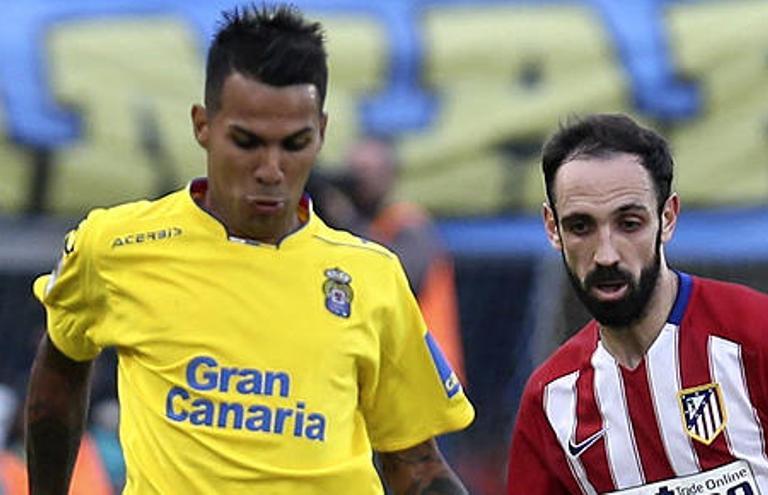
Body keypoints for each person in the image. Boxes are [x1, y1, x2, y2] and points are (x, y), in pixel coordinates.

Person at [26, 4, 474, 494]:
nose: (271, 168)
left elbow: (418, 466)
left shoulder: (371, 275)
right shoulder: (116, 246)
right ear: (203, 125)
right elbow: (59, 375)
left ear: (321, 132)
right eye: (247, 142)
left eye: (294, 143)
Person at [507, 113, 768, 494]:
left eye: (629, 223)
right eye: (581, 227)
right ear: (553, 229)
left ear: (667, 218)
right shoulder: (551, 400)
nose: (605, 255)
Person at [344, 137, 466, 382]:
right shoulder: (367, 226)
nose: (360, 182)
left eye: (368, 172)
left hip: (429, 372)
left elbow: (401, 279)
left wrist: (345, 220)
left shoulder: (409, 224)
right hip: (396, 372)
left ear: (391, 175)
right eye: (354, 173)